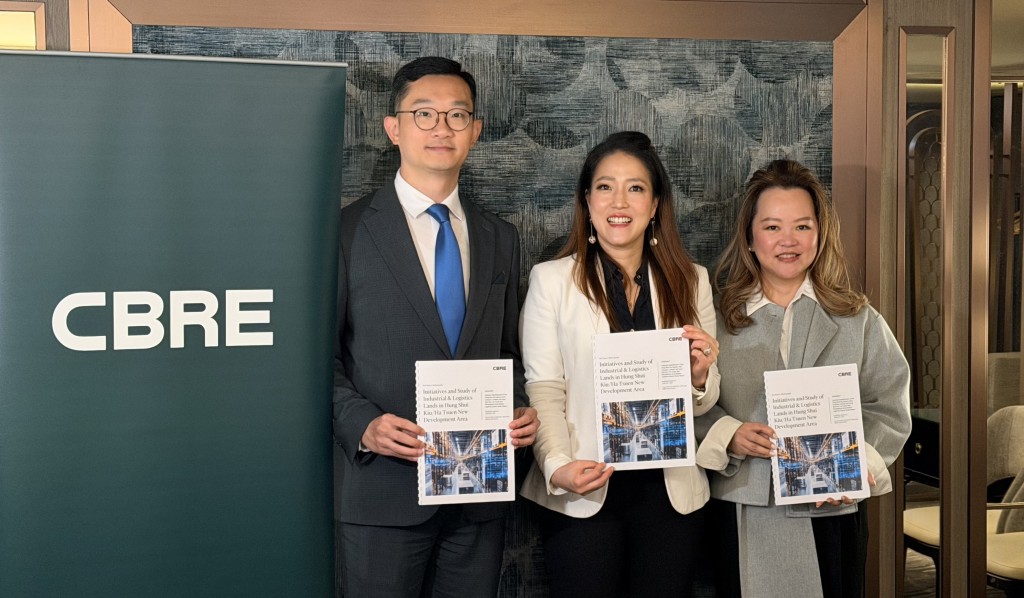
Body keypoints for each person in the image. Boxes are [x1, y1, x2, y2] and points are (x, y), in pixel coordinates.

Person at [332, 56, 538, 598]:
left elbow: (508, 351)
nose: (441, 128)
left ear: (476, 130)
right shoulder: (346, 232)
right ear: (393, 128)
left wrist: (519, 409)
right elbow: (314, 360)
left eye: (456, 115)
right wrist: (363, 425)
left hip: (477, 493)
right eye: (424, 114)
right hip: (382, 490)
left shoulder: (500, 237)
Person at [696, 159, 912, 598]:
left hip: (831, 509)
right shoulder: (715, 319)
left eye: (802, 226)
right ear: (751, 238)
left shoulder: (858, 318)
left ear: (820, 233)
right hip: (741, 503)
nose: (788, 241)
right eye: (772, 227)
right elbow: (690, 401)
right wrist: (729, 434)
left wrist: (854, 468)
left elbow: (888, 404)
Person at [519, 131, 721, 596]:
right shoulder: (551, 281)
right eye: (605, 186)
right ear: (587, 201)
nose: (619, 200)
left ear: (654, 206)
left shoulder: (692, 281)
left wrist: (698, 375)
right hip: (585, 488)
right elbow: (545, 389)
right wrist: (556, 466)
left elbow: (706, 399)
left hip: (671, 495)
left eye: (636, 188)